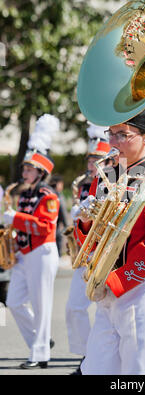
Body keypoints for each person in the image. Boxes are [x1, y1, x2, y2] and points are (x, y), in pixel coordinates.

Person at [73, 108, 145, 375]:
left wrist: (116, 280)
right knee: (96, 370)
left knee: (139, 374)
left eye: (123, 134)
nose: (113, 142)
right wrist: (86, 221)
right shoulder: (104, 179)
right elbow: (89, 238)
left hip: (144, 289)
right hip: (108, 289)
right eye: (111, 133)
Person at [4, 114, 60, 369]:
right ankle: (41, 341)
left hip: (42, 252)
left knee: (41, 304)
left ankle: (39, 354)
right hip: (25, 253)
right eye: (24, 168)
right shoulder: (25, 194)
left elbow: (45, 226)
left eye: (28, 169)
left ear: (40, 172)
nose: (23, 172)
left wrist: (15, 218)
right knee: (14, 302)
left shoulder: (48, 195)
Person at [65, 122, 111, 375]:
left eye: (97, 158)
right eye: (90, 158)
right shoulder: (84, 183)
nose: (91, 162)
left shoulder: (113, 180)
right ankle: (86, 357)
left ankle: (91, 363)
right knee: (74, 307)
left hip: (105, 250)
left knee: (106, 311)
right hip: (83, 251)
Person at [49, 174, 68, 257]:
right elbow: (62, 211)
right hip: (55, 228)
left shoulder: (46, 193)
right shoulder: (57, 195)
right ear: (59, 184)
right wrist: (66, 225)